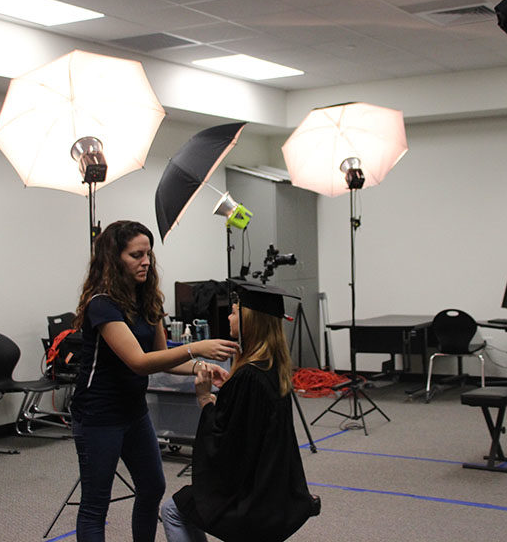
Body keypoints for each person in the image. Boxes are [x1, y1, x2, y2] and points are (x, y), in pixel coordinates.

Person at [69, 220, 239, 542]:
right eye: (136, 255)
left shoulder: (147, 299)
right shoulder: (102, 305)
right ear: (114, 259)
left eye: (148, 254)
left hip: (133, 413)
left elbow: (162, 355)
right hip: (98, 416)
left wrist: (199, 366)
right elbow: (139, 362)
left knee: (151, 487)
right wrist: (196, 348)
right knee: (96, 504)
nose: (145, 261)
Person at [160, 280, 320, 542]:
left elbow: (223, 447)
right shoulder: (272, 369)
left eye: (234, 311)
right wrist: (226, 394)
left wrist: (205, 400)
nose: (229, 316)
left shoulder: (247, 377)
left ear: (249, 319)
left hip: (251, 504)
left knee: (173, 509)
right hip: (274, 493)